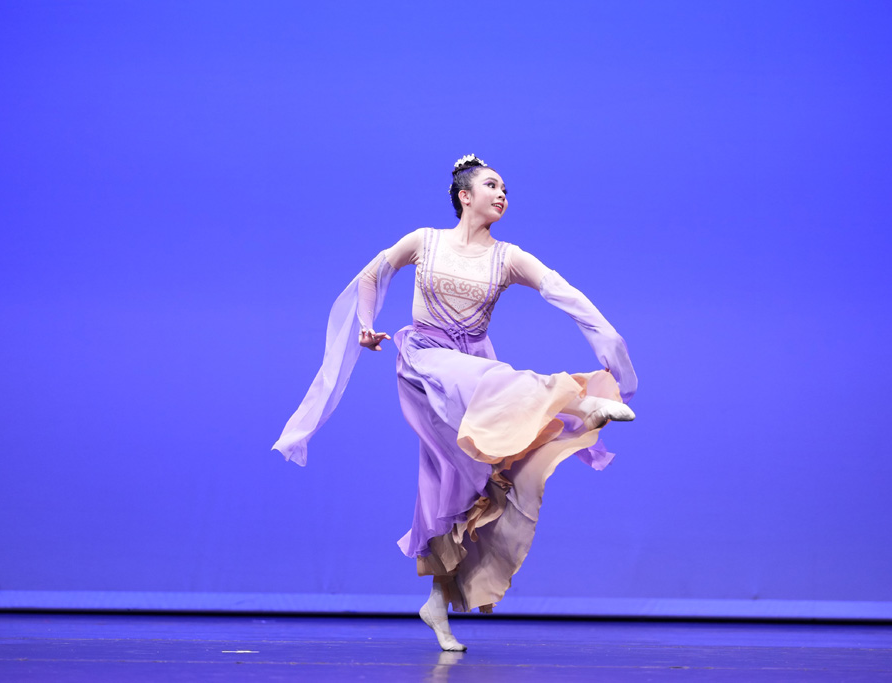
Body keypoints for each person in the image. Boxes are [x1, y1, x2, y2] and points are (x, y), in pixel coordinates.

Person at [273, 154, 637, 651]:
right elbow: (372, 274)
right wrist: (365, 325)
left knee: (459, 486)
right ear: (465, 196)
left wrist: (610, 342)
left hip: (471, 367)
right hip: (425, 361)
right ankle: (578, 404)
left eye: (506, 188)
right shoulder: (424, 241)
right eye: (492, 185)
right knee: (495, 381)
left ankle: (436, 604)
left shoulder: (507, 257)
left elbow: (562, 292)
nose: (502, 194)